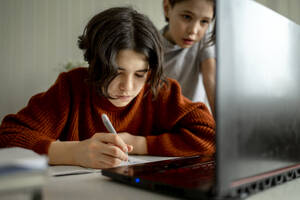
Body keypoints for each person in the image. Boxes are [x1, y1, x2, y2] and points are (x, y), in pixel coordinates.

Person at [0, 7, 215, 169]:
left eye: (140, 74)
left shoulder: (158, 89)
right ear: (94, 63)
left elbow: (211, 135)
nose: (128, 87)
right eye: (116, 72)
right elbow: (8, 135)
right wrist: (73, 153)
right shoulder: (71, 88)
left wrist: (139, 143)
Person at [161, 0, 216, 115]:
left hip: (197, 119)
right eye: (187, 17)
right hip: (165, 123)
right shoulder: (150, 46)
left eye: (204, 21)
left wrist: (223, 128)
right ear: (167, 8)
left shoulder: (205, 38)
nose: (193, 30)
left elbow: (212, 82)